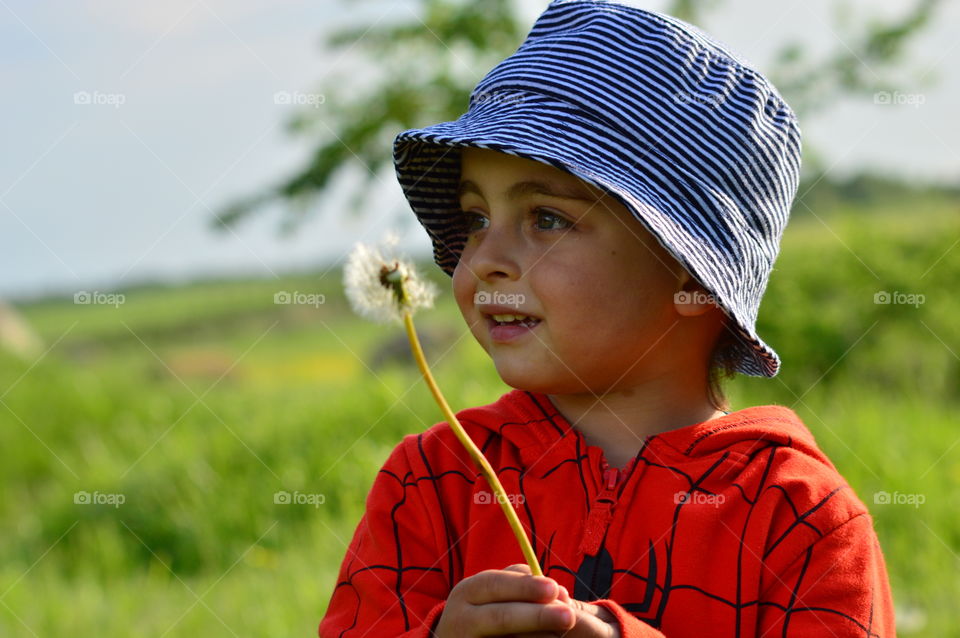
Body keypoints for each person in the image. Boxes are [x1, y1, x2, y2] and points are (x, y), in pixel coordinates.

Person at [319, 1, 896, 636]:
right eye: (476, 218)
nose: (484, 259)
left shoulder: (800, 518)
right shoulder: (433, 483)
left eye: (546, 218)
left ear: (687, 266)